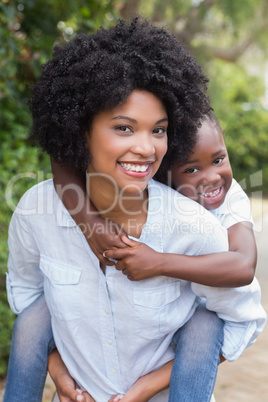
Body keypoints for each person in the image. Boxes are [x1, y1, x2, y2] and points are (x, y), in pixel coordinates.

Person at [4, 17, 266, 402]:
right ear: (79, 129)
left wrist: (144, 389)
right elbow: (28, 295)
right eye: (125, 128)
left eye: (158, 130)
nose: (146, 148)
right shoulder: (37, 212)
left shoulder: (200, 222)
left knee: (203, 324)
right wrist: (60, 373)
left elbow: (240, 313)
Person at [100, 110, 263, 401]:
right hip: (154, 322)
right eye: (191, 170)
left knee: (204, 324)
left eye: (218, 160)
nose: (211, 177)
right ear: (164, 178)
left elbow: (243, 267)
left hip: (209, 320)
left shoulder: (232, 195)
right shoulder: (153, 202)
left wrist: (158, 263)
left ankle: (148, 387)